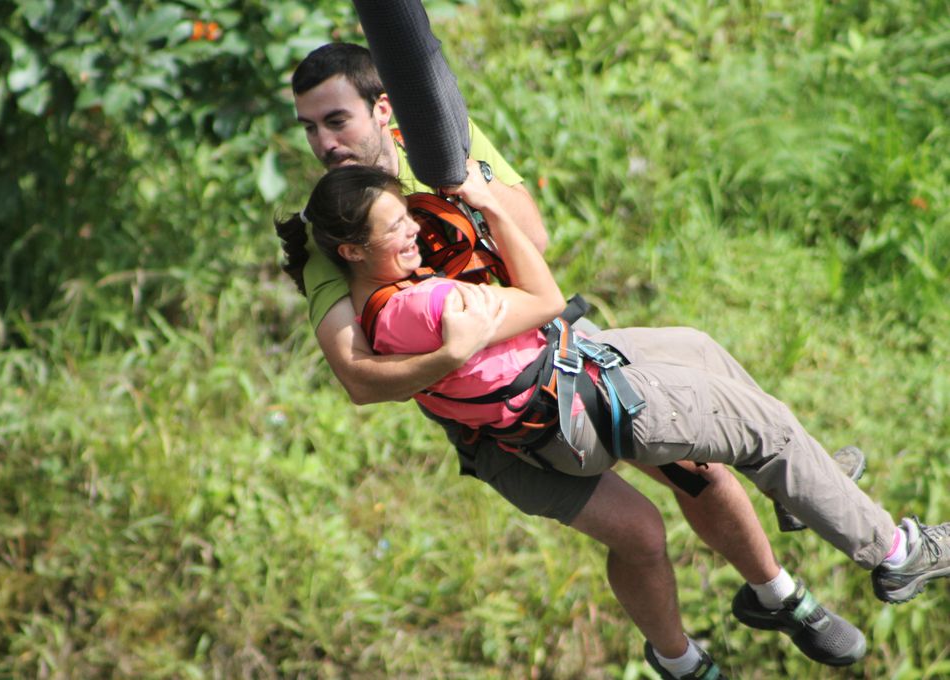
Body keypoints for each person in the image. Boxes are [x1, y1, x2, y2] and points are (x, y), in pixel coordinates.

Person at [277, 163, 950, 676]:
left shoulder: (377, 308)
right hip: (585, 407)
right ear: (350, 251)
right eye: (394, 228)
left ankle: (799, 488)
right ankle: (895, 554)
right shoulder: (433, 309)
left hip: (567, 372)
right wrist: (487, 209)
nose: (411, 232)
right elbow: (542, 298)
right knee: (764, 431)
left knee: (697, 346)